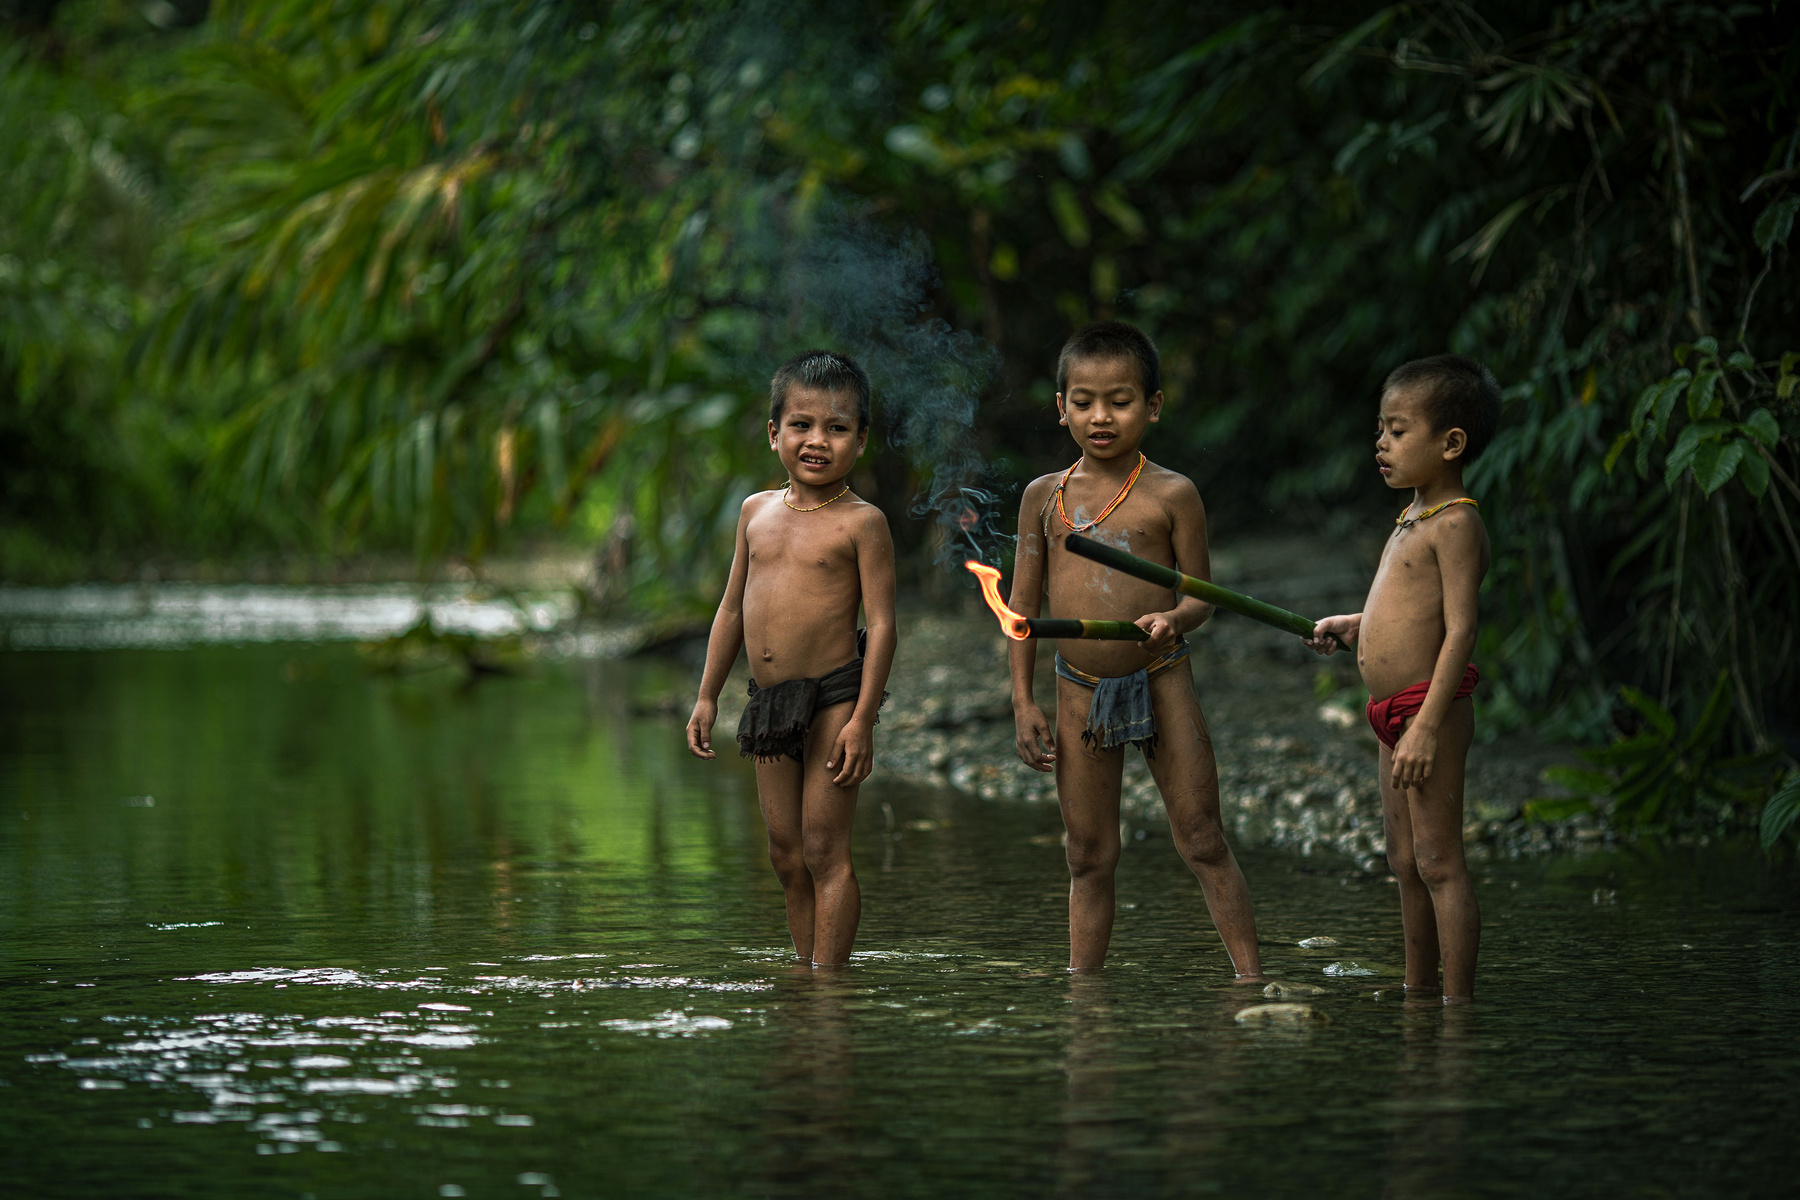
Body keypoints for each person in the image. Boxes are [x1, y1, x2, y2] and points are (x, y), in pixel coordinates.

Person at [1008, 321, 1261, 977]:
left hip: (1160, 675)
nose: (1101, 416)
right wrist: (1021, 702)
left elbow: (1201, 595)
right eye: (1084, 400)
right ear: (1059, 406)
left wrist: (1176, 617)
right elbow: (1023, 611)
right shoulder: (1044, 497)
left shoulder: (1172, 494)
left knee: (1202, 836)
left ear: (1153, 405)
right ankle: (1083, 997)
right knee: (1088, 853)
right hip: (1076, 686)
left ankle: (1252, 980)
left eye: (1120, 401)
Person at [686, 350, 897, 967]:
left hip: (835, 695)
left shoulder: (863, 523)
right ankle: (806, 969)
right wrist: (706, 695)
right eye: (801, 425)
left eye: (836, 428)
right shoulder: (755, 512)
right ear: (773, 431)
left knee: (824, 846)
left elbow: (882, 625)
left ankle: (830, 987)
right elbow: (730, 610)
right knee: (785, 851)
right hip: (769, 700)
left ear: (861, 441)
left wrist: (862, 719)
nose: (817, 441)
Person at [1305, 354, 1502, 1003]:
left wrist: (1425, 726)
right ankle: (1420, 992)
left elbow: (1460, 630)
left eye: (1397, 430)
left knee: (1439, 860)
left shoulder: (1457, 522)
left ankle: (1457, 1008)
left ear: (1450, 444)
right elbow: (1406, 610)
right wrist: (1357, 624)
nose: (1381, 444)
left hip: (1428, 711)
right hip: (1393, 712)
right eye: (1380, 431)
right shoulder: (1411, 516)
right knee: (1402, 862)